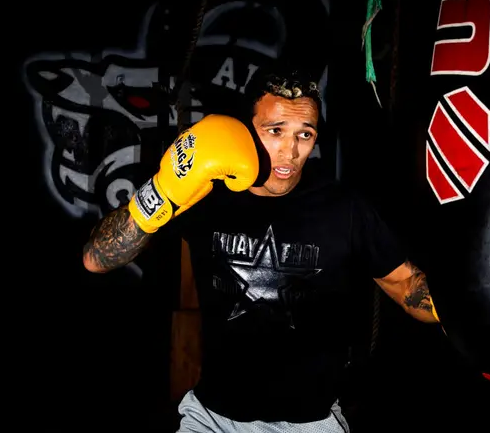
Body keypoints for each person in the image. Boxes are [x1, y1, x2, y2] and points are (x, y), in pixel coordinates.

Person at [82, 68, 441, 432]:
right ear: (246, 130)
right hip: (212, 418)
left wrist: (479, 305)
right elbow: (96, 259)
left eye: (305, 134)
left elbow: (407, 285)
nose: (290, 150)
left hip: (311, 422)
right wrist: (162, 191)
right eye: (275, 131)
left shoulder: (343, 207)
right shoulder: (207, 195)